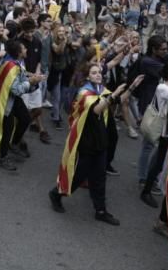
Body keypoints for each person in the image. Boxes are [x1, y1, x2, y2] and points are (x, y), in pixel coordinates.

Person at [49, 63, 139, 224]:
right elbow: (97, 109)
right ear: (88, 76)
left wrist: (132, 87)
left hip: (100, 140)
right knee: (78, 176)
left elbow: (115, 101)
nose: (98, 75)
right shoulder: (84, 93)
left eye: (99, 72)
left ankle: (101, 210)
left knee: (99, 177)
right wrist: (113, 95)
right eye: (94, 73)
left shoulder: (101, 91)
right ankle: (56, 194)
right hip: (86, 141)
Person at [0, 39, 42, 171]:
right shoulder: (12, 66)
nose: (26, 50)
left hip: (13, 99)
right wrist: (31, 81)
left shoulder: (17, 63)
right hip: (6, 102)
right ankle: (4, 156)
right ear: (19, 52)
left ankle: (14, 144)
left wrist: (31, 78)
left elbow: (20, 80)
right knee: (7, 129)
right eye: (24, 48)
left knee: (26, 119)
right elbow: (16, 89)